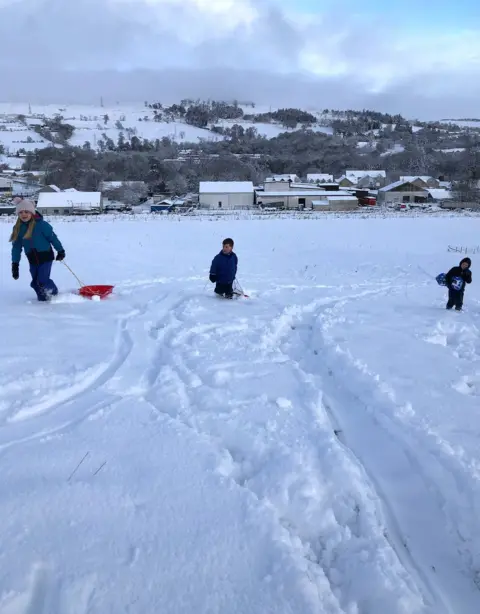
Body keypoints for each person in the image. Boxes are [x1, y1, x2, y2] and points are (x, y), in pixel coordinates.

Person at [10, 198, 66, 301]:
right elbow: (16, 247)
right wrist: (15, 264)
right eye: (21, 212)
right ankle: (42, 301)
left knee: (42, 281)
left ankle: (55, 295)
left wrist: (60, 251)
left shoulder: (41, 225)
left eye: (26, 211)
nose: (24, 214)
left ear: (32, 212)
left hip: (45, 257)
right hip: (32, 259)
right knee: (35, 283)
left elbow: (53, 238)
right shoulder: (18, 228)